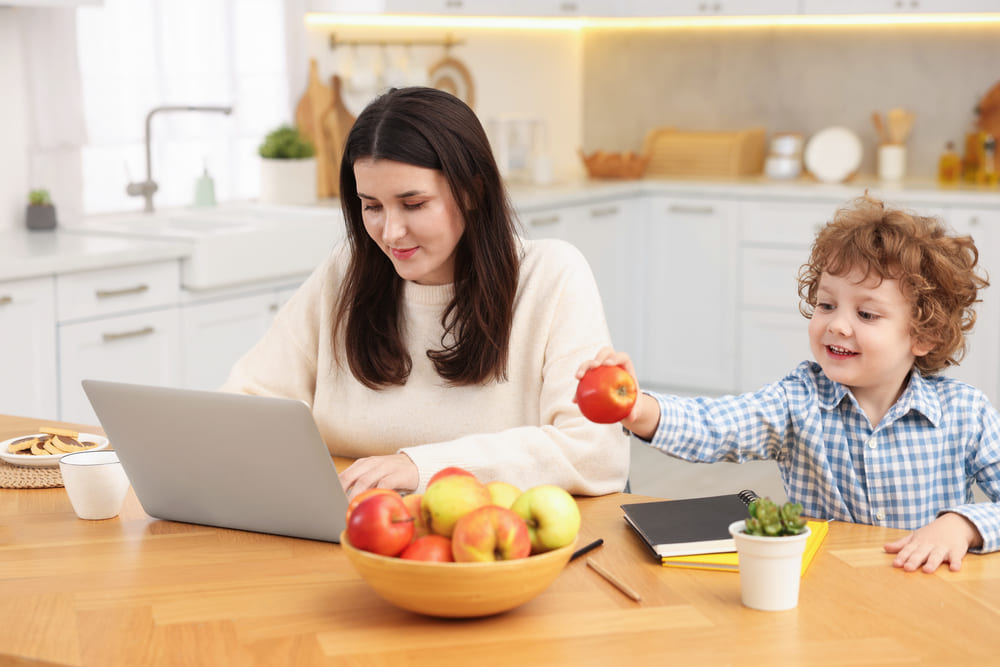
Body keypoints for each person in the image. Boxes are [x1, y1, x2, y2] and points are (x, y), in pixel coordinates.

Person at [223, 86, 629, 499]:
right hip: (353, 532)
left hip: (489, 540)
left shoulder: (551, 276)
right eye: (372, 206)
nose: (390, 232)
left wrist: (418, 467)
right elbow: (247, 400)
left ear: (472, 191)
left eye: (413, 204)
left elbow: (595, 453)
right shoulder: (346, 272)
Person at [577, 195, 1000, 573]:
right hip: (825, 589)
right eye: (826, 304)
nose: (837, 325)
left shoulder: (966, 412)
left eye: (866, 315)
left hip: (927, 600)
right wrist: (639, 408)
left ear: (923, 335)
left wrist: (963, 524)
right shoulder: (798, 399)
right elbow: (716, 425)